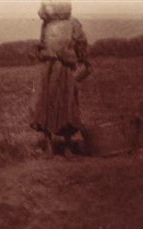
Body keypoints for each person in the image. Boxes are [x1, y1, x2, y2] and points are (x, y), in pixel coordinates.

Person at [30, 1, 91, 155]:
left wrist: (83, 60)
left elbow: (81, 43)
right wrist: (41, 53)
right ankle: (49, 144)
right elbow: (43, 43)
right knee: (45, 104)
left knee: (67, 105)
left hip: (66, 68)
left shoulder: (72, 23)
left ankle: (68, 145)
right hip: (48, 68)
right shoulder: (46, 25)